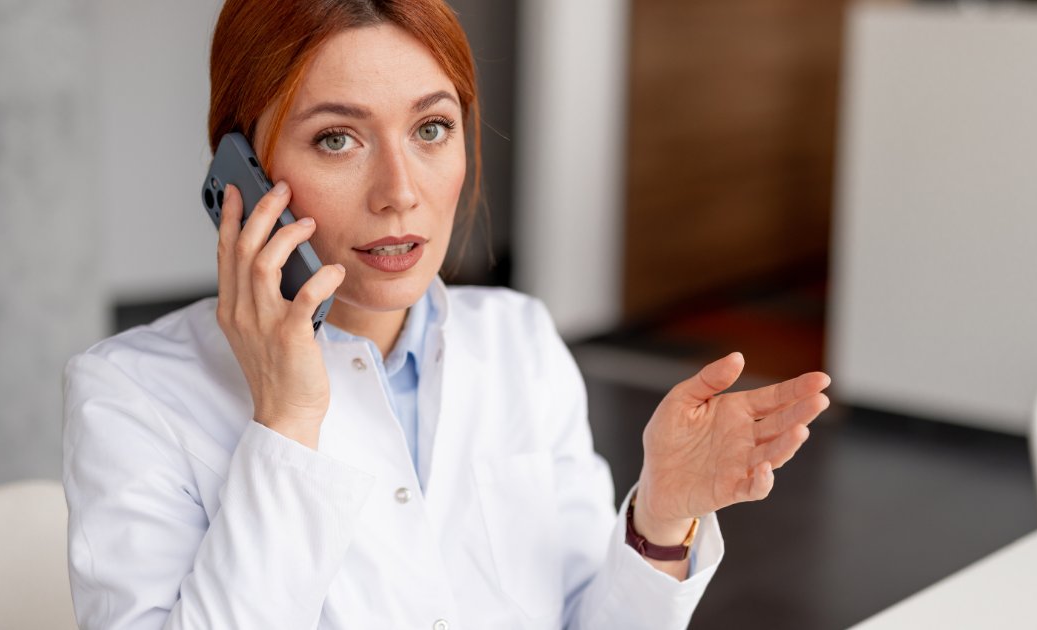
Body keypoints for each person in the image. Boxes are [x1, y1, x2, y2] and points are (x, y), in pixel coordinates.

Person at [61, 1, 832, 628]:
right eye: (338, 139)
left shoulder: (519, 341)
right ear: (243, 174)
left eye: (431, 128)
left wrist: (660, 520)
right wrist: (286, 424)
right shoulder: (130, 399)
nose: (400, 190)